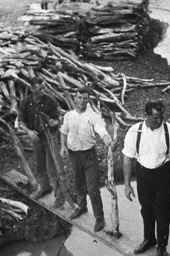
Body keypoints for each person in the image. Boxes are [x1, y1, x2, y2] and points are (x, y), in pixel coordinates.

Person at [122, 100, 170, 256]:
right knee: (147, 210)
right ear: (147, 115)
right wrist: (127, 184)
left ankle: (162, 246)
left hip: (165, 175)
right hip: (144, 175)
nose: (159, 121)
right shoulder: (134, 131)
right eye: (155, 118)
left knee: (163, 212)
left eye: (161, 117)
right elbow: (127, 159)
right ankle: (149, 239)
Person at [60, 87, 112, 232]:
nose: (82, 101)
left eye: (85, 98)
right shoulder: (69, 115)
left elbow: (101, 128)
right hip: (73, 154)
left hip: (88, 155)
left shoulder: (93, 116)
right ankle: (82, 207)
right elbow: (64, 130)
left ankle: (99, 218)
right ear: (74, 98)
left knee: (93, 188)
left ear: (88, 99)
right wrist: (63, 146)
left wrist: (107, 139)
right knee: (78, 183)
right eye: (79, 98)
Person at [18, 77, 65, 208]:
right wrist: (29, 132)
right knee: (40, 166)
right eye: (40, 89)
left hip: (50, 138)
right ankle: (44, 187)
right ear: (32, 89)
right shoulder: (25, 102)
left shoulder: (50, 101)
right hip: (36, 139)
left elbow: (57, 119)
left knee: (52, 168)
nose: (43, 91)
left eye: (44, 87)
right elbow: (21, 121)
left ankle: (59, 196)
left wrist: (53, 122)